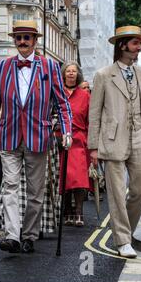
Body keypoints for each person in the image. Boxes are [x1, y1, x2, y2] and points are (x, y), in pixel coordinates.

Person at [0, 20, 72, 254]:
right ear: (14, 40)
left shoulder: (50, 67)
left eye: (27, 37)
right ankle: (12, 235)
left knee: (36, 192)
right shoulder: (2, 67)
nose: (22, 42)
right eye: (18, 38)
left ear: (35, 40)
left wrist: (66, 131)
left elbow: (62, 103)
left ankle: (30, 235)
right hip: (9, 136)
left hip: (38, 137)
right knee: (10, 186)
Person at [88, 26, 141, 258]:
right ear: (123, 45)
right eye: (136, 43)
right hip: (112, 139)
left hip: (139, 138)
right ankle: (123, 239)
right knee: (116, 193)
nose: (139, 48)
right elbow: (94, 114)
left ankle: (127, 232)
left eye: (139, 43)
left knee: (140, 190)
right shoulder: (104, 75)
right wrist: (93, 147)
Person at [59, 62, 91, 227]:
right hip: (60, 139)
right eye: (68, 71)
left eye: (74, 71)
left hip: (79, 140)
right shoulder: (58, 92)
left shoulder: (85, 95)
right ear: (63, 74)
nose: (71, 74)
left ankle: (78, 211)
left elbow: (90, 121)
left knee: (78, 178)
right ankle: (67, 211)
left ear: (78, 75)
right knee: (63, 177)